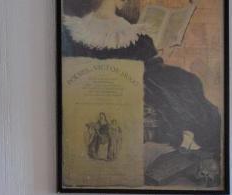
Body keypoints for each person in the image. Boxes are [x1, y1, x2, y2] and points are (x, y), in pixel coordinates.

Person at [61, 0, 222, 183]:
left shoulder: (135, 36)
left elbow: (152, 67)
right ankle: (201, 144)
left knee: (185, 81)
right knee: (183, 83)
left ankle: (204, 147)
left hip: (132, 83)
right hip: (105, 90)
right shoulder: (72, 31)